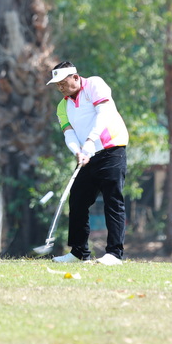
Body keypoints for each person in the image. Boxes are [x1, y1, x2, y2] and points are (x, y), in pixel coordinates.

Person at [46, 61, 129, 265]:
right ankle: (79, 252)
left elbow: (103, 115)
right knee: (77, 200)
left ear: (75, 77)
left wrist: (91, 141)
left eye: (63, 82)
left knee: (113, 201)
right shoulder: (63, 106)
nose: (60, 87)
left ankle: (114, 254)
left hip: (112, 150)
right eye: (57, 85)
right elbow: (69, 134)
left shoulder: (94, 84)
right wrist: (78, 151)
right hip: (87, 155)